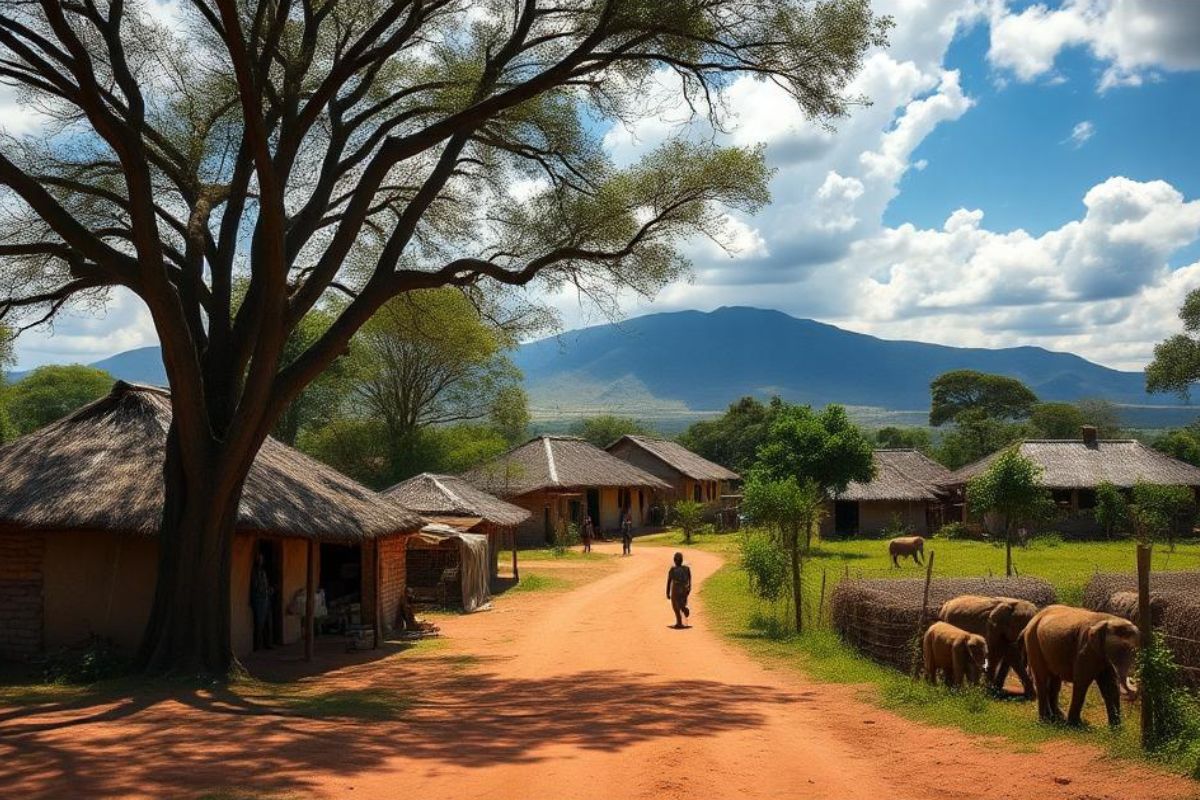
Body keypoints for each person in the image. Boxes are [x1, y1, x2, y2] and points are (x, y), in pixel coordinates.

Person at [251, 551, 274, 650]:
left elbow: (264, 585)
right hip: (259, 600)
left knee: (268, 622)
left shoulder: (263, 572)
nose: (260, 561)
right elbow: (256, 586)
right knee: (259, 623)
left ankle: (267, 643)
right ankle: (258, 645)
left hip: (266, 598)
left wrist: (269, 589)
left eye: (261, 559)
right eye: (259, 559)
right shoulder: (255, 573)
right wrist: (267, 590)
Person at [665, 552, 692, 628]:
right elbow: (690, 578)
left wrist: (667, 592)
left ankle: (679, 622)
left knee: (675, 606)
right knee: (681, 603)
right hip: (684, 588)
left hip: (676, 589)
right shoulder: (686, 569)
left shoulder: (673, 570)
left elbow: (669, 581)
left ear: (674, 560)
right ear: (682, 560)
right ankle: (684, 609)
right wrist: (689, 587)